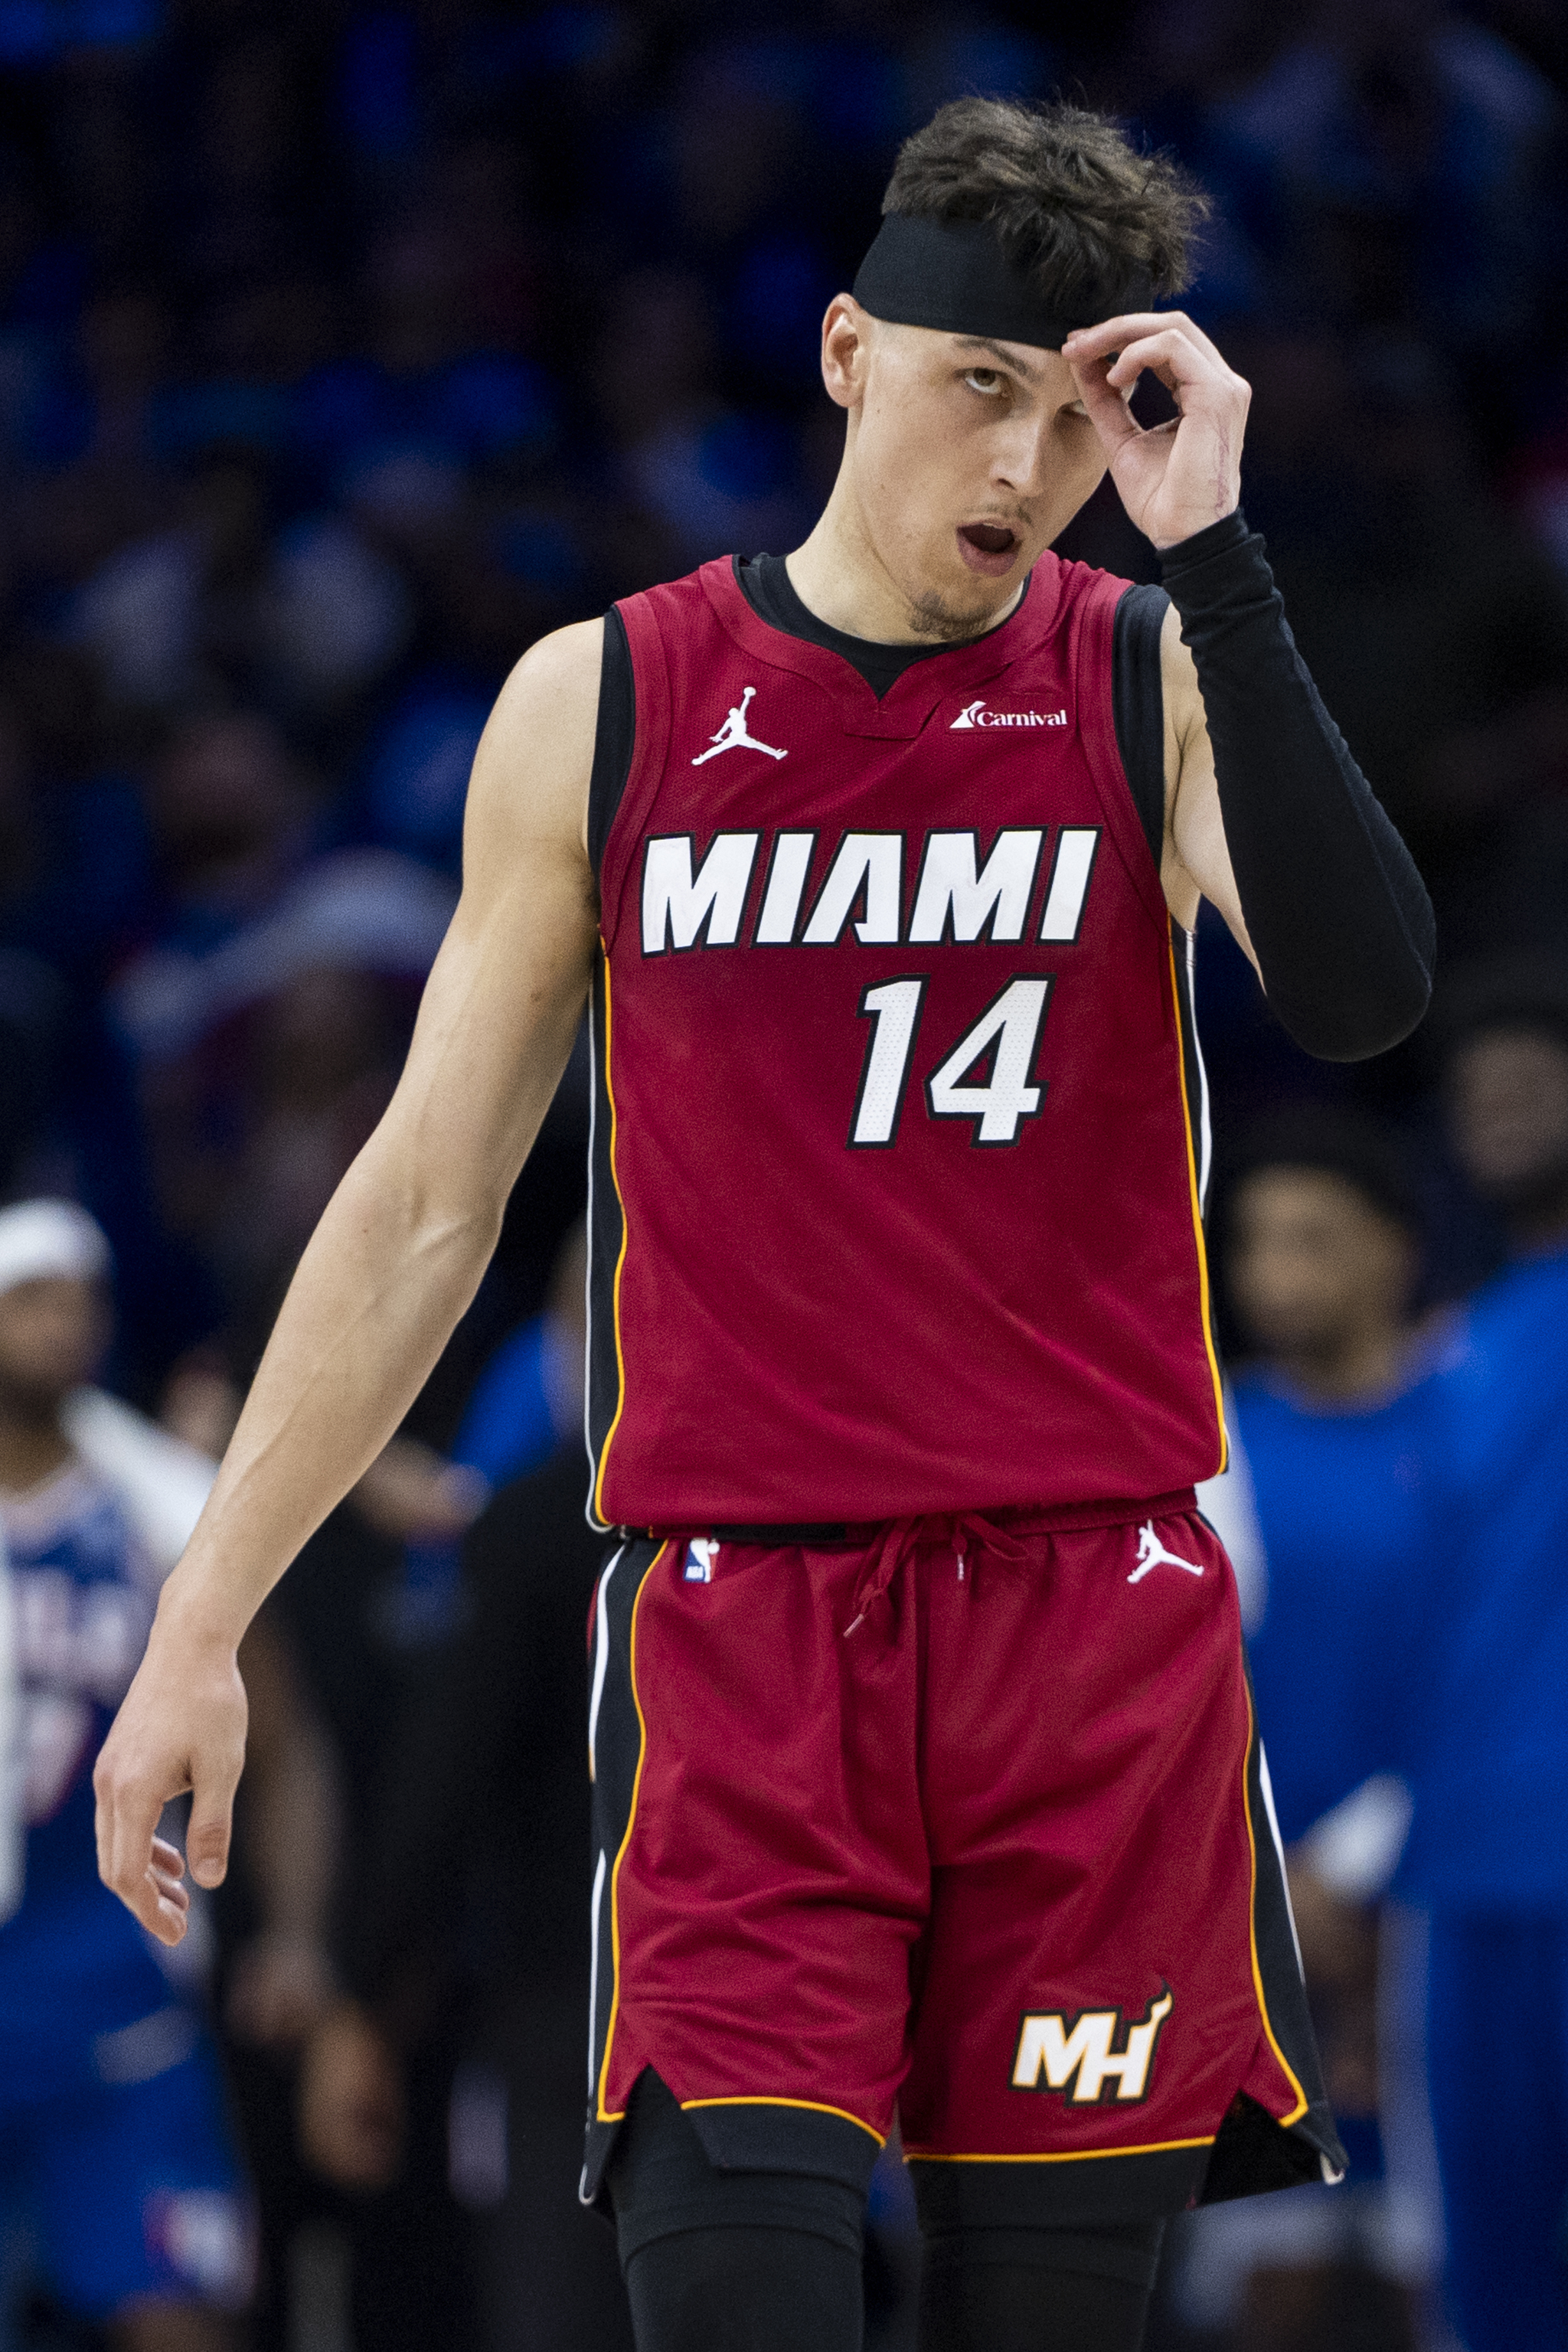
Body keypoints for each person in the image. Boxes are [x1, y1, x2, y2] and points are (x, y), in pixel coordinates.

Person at [95, 99, 1434, 2352]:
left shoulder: (1143, 668)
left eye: (1078, 417)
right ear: (845, 353)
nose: (1019, 474)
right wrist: (202, 1616)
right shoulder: (608, 698)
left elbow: (1369, 990)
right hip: (748, 1641)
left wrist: (1213, 552)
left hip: (1090, 1635)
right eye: (973, 393)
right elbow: (431, 1196)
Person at [1171, 1112, 1454, 2350]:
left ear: (1393, 1251)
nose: (1272, 1275)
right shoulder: (1205, 1441)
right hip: (1255, 1924)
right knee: (1271, 2291)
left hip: (1441, 1904)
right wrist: (1274, 1884)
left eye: (1311, 1242)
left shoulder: (1474, 1427)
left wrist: (1364, 1861)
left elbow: (1496, 1668)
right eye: (1252, 1244)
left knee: (1442, 2279)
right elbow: (1184, 1694)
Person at [0, 1200, 250, 2349]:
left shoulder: (160, 1513)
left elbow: (282, 1745)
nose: (65, 1326)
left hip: (119, 1994)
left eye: (80, 1301)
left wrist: (292, 1935)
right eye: (33, 1301)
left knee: (175, 2318)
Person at [1393, 957, 1568, 2352]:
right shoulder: (1455, 1350)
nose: (1495, 1114)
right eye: (1474, 1096)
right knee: (1490, 2293)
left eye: (1530, 1086)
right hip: (1463, 1879)